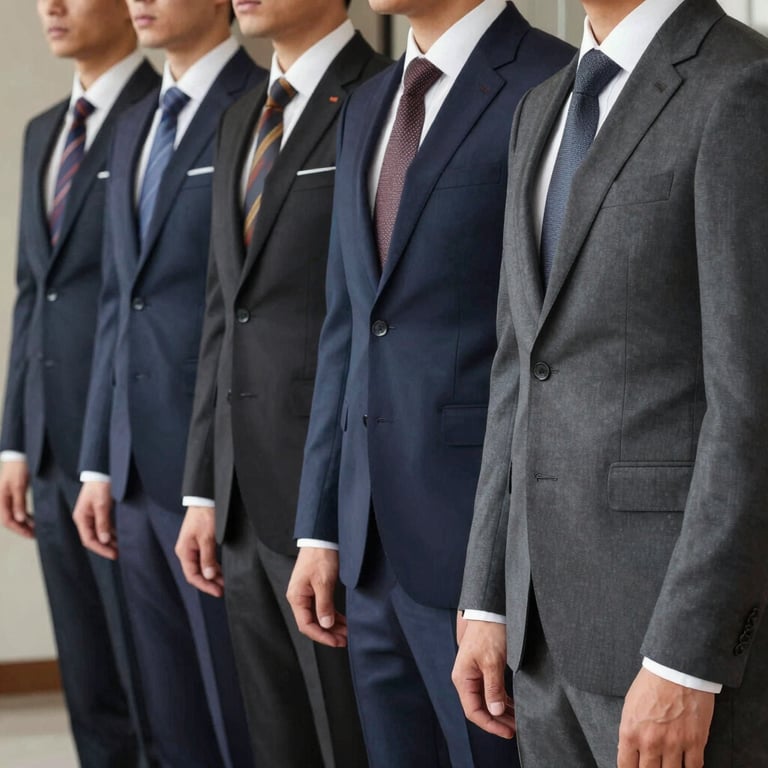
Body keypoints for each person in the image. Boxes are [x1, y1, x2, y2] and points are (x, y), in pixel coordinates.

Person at [453, 1, 768, 766]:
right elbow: (517, 369)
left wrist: (686, 657)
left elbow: (752, 403)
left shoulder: (741, 85)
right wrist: (486, 595)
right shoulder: (541, 107)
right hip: (536, 639)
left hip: (666, 644)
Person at [286, 1, 573, 765]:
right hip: (367, 545)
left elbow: (548, 347)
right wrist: (320, 525)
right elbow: (348, 324)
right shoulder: (371, 102)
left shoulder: (552, 81)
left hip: (480, 544)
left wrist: (500, 572)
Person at [175, 0, 388, 765]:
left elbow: (367, 324)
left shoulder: (382, 96)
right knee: (277, 743)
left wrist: (326, 514)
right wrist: (202, 487)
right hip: (238, 500)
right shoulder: (241, 118)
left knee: (347, 739)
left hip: (327, 497)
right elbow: (221, 315)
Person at [72, 1, 264, 766]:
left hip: (222, 471)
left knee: (239, 718)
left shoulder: (258, 106)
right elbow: (119, 304)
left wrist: (211, 478)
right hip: (132, 473)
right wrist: (96, 460)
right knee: (170, 715)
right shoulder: (134, 125)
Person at [0, 1, 157, 765]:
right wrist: (12, 444)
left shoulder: (161, 118)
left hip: (131, 451)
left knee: (153, 684)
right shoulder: (42, 133)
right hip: (53, 446)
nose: (52, 7)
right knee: (88, 682)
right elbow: (34, 293)